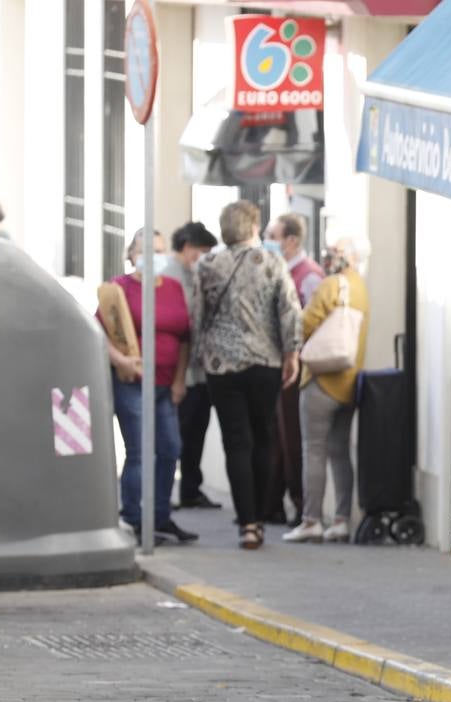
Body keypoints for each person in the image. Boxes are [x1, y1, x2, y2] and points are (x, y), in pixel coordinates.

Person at [194, 200, 302, 550]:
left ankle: (248, 523)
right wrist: (292, 354)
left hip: (221, 366)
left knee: (235, 442)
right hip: (264, 362)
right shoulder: (271, 261)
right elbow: (288, 310)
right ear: (254, 226)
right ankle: (260, 513)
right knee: (263, 438)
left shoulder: (209, 264)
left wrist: (199, 355)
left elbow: (198, 314)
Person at [102, 234, 197, 545]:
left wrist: (180, 379)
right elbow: (99, 332)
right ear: (131, 254)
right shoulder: (118, 288)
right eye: (145, 251)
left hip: (165, 384)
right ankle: (133, 518)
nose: (153, 256)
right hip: (131, 383)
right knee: (139, 452)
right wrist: (122, 362)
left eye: (158, 251)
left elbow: (184, 337)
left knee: (170, 448)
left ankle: (159, 515)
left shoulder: (171, 288)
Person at [285, 237, 370, 544]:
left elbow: (304, 325)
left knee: (314, 449)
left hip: (321, 379)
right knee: (339, 452)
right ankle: (342, 519)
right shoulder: (360, 287)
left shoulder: (331, 285)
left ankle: (311, 520)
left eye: (333, 252)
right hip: (348, 381)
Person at [262, 213, 323, 526]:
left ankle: (300, 505)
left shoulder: (309, 276)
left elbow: (311, 324)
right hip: (276, 364)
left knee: (292, 438)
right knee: (275, 436)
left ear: (292, 240)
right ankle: (271, 503)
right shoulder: (277, 271)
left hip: (296, 368)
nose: (268, 240)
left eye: (273, 235)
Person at [165, 221, 222, 511]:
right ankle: (169, 490)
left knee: (196, 430)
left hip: (200, 369)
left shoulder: (194, 273)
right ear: (187, 247)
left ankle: (191, 488)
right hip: (179, 371)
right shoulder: (166, 275)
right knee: (179, 433)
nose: (204, 258)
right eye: (201, 252)